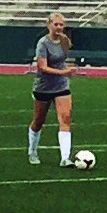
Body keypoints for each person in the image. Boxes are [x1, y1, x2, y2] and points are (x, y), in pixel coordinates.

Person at [29, 12, 80, 167]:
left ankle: (65, 158)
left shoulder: (65, 41)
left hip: (61, 86)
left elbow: (60, 62)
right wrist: (64, 72)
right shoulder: (43, 43)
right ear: (49, 25)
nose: (59, 27)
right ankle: (32, 151)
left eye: (61, 25)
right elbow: (43, 67)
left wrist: (66, 71)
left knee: (64, 119)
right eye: (56, 24)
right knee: (39, 121)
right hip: (43, 86)